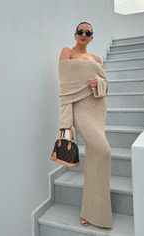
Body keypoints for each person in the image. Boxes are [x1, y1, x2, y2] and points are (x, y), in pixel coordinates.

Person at [58, 22, 112, 229]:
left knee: (97, 154)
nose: (83, 34)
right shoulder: (67, 52)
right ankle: (93, 207)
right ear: (75, 34)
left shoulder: (97, 59)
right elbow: (65, 87)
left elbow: (106, 86)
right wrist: (66, 122)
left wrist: (97, 84)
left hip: (98, 108)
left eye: (87, 32)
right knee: (104, 151)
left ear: (91, 37)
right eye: (80, 31)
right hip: (80, 109)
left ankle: (94, 208)